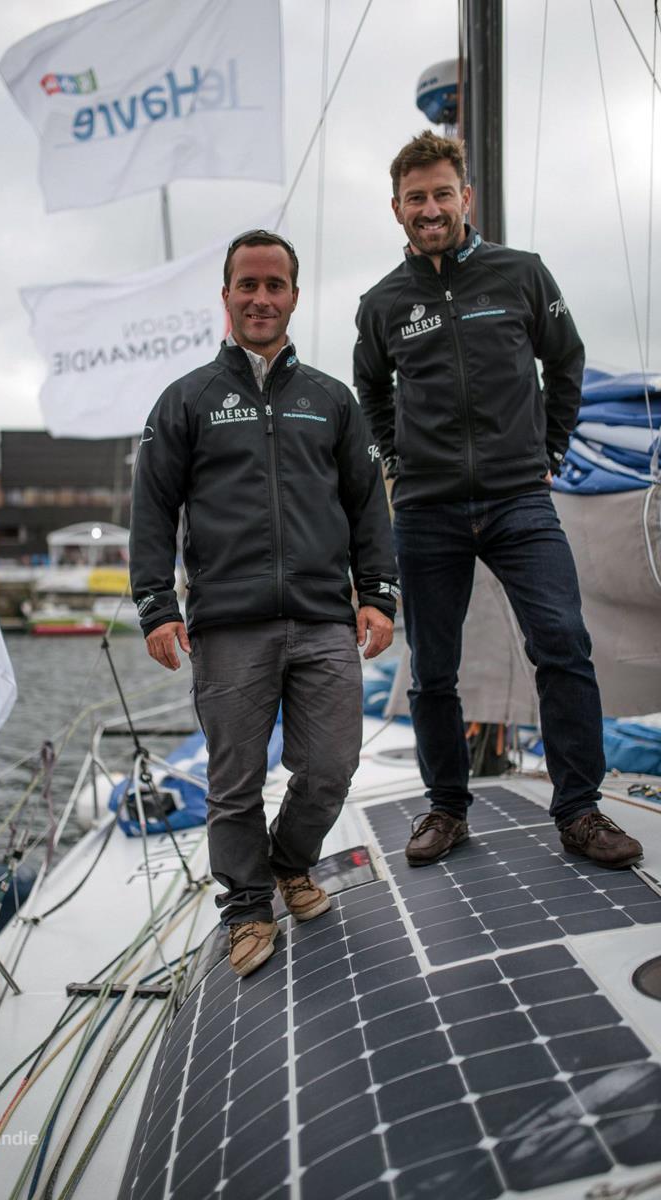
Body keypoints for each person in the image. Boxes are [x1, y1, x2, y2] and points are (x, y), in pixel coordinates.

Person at [353, 130, 642, 871]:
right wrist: (396, 459)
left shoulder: (521, 274)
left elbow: (566, 360)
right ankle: (446, 809)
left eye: (442, 193)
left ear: (465, 198)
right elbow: (372, 392)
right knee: (433, 673)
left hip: (520, 501)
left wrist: (548, 451)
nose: (430, 208)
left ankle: (578, 810)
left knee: (563, 647)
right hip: (427, 510)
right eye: (415, 197)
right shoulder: (382, 304)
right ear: (397, 208)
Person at [130, 230, 396, 977]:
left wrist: (376, 593)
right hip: (228, 624)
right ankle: (246, 909)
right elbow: (151, 509)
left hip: (321, 619)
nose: (260, 298)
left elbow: (366, 506)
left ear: (294, 297)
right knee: (235, 781)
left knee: (330, 768)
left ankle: (289, 863)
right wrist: (157, 605)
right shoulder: (187, 400)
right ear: (227, 297)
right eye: (247, 285)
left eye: (274, 285)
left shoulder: (330, 401)